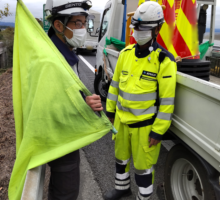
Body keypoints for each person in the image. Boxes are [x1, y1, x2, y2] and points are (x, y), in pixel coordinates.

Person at [104, 1, 177, 200]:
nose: (138, 32)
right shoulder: (125, 55)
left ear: (158, 29)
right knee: (120, 158)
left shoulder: (164, 61)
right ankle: (122, 188)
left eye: (144, 28)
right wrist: (109, 112)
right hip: (121, 122)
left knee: (144, 167)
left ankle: (143, 198)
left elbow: (167, 101)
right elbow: (115, 86)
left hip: (145, 127)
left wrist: (158, 131)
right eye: (136, 27)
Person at [44, 0, 103, 199]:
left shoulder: (65, 51)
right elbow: (47, 104)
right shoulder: (51, 60)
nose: (83, 29)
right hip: (61, 139)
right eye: (78, 23)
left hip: (67, 135)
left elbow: (67, 91)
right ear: (59, 26)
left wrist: (84, 99)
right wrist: (82, 104)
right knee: (66, 193)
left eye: (85, 24)